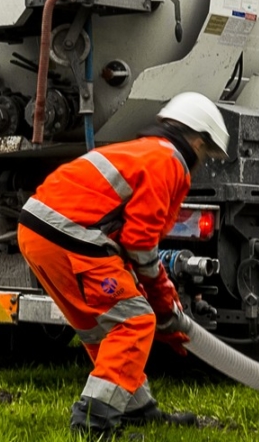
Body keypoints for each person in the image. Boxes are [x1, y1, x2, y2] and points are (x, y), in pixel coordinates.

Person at [17, 92, 230, 436]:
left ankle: (136, 408)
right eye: (205, 152)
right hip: (71, 233)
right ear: (195, 138)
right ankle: (94, 420)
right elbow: (140, 243)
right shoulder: (168, 162)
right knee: (135, 320)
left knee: (102, 326)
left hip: (38, 231)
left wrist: (161, 302)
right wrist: (162, 303)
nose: (202, 161)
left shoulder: (142, 152)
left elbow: (124, 244)